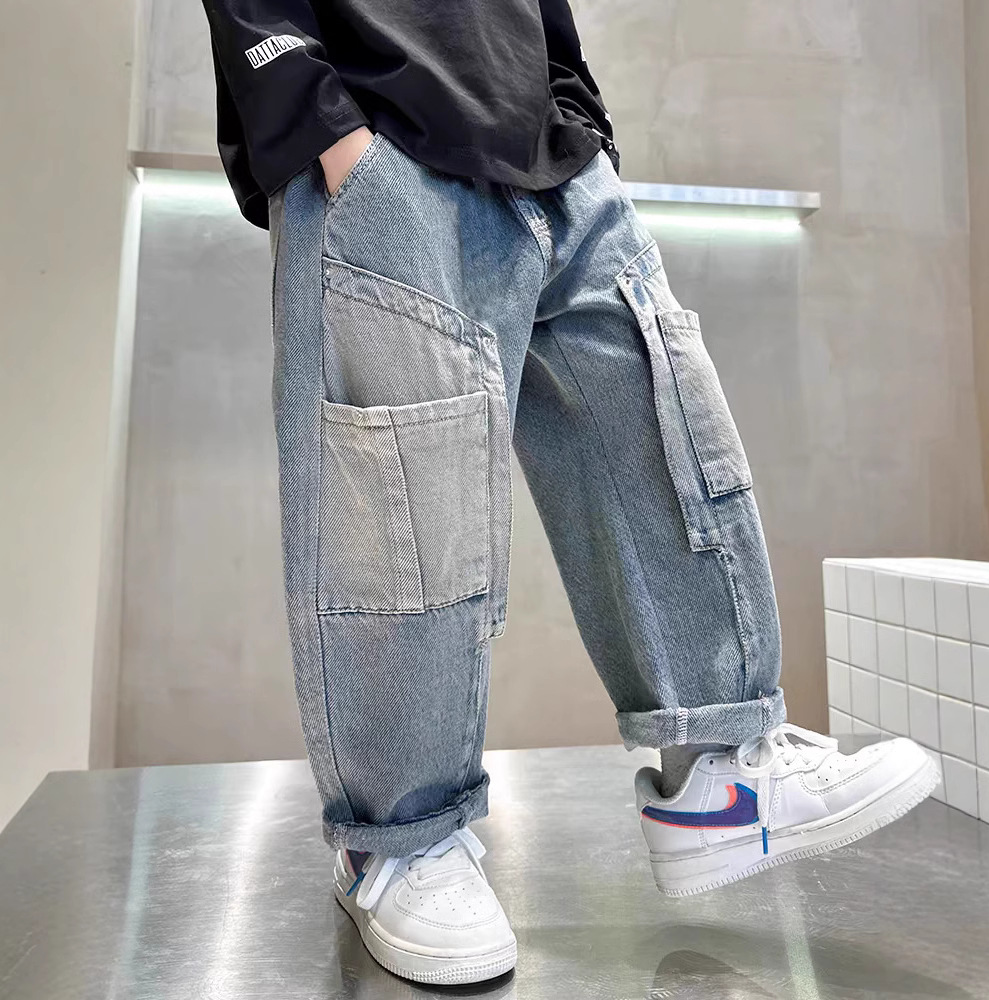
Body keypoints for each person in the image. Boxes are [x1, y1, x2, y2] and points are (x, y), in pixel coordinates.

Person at [200, 0, 939, 986]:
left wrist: (578, 118)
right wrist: (325, 127)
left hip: (551, 151)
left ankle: (719, 772)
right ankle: (400, 842)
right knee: (410, 510)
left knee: (662, 430)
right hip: (377, 141)